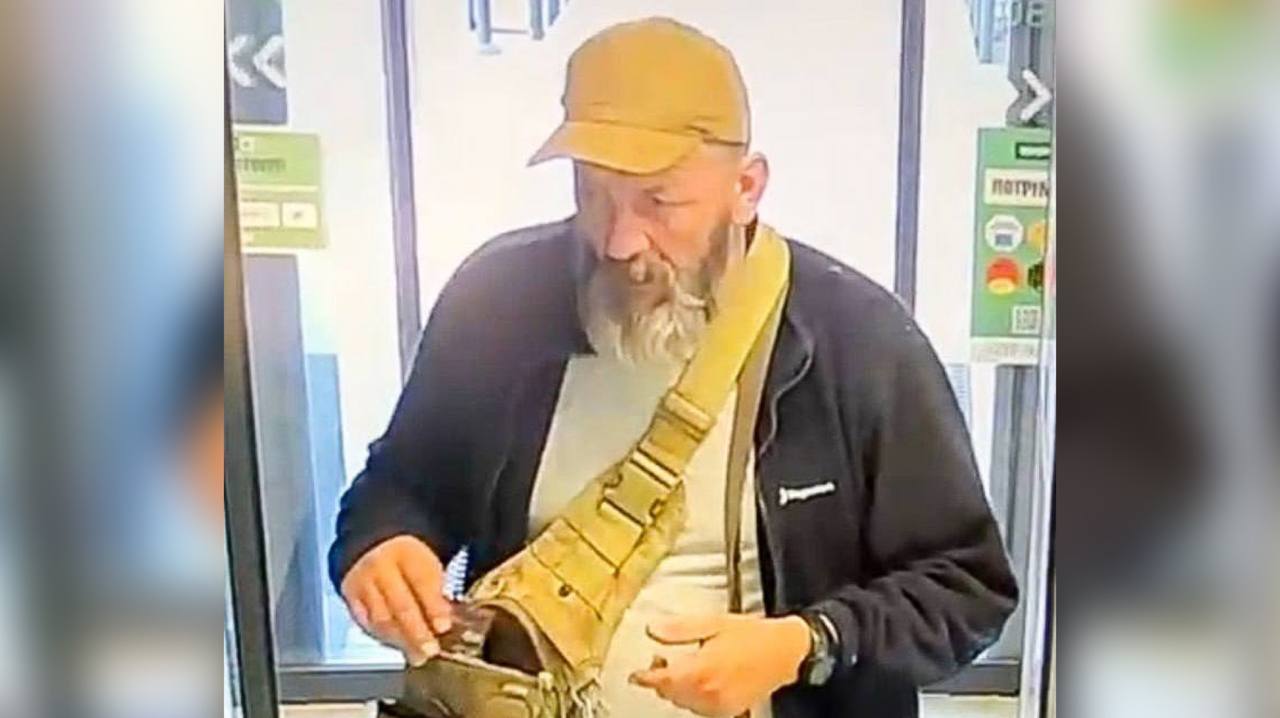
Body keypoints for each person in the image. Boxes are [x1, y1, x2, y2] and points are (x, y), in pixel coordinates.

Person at [330, 17, 1016, 718]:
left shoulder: (857, 342)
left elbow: (966, 587)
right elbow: (400, 484)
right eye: (592, 194)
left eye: (658, 202)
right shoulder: (496, 303)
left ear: (746, 187)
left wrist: (805, 644)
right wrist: (383, 545)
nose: (619, 241)